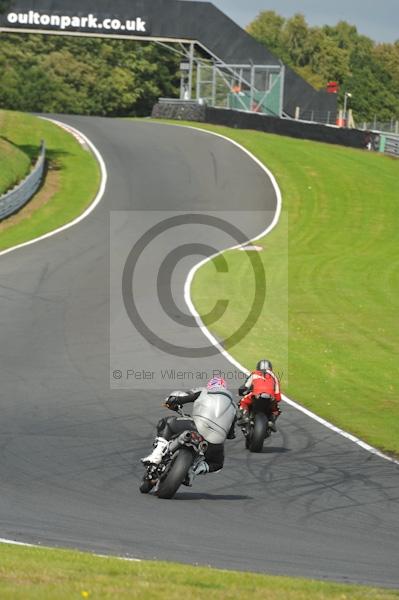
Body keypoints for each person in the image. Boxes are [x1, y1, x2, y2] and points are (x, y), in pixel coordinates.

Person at [141, 377, 236, 486]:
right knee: (217, 463)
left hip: (197, 426)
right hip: (216, 441)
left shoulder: (204, 390)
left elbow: (181, 398)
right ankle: (195, 470)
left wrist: (171, 401)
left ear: (210, 385)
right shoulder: (233, 405)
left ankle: (157, 454)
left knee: (166, 422)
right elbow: (231, 434)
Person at [237, 359, 282, 432]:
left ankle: (245, 417)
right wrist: (274, 399)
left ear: (258, 367)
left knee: (242, 402)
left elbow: (245, 386)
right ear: (270, 368)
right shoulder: (275, 377)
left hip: (256, 395)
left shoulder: (254, 373)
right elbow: (278, 397)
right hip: (270, 397)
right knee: (277, 410)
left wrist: (241, 391)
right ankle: (271, 421)